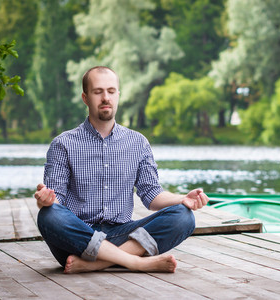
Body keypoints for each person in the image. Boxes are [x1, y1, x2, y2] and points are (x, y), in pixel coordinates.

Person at [34, 66, 209, 274]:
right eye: (98, 92)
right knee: (48, 216)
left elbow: (152, 195)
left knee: (184, 216)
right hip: (77, 238)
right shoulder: (63, 144)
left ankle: (97, 264)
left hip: (122, 235)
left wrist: (182, 199)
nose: (105, 97)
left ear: (118, 95)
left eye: (110, 91)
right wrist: (45, 201)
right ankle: (136, 262)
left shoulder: (138, 143)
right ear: (85, 98)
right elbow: (56, 200)